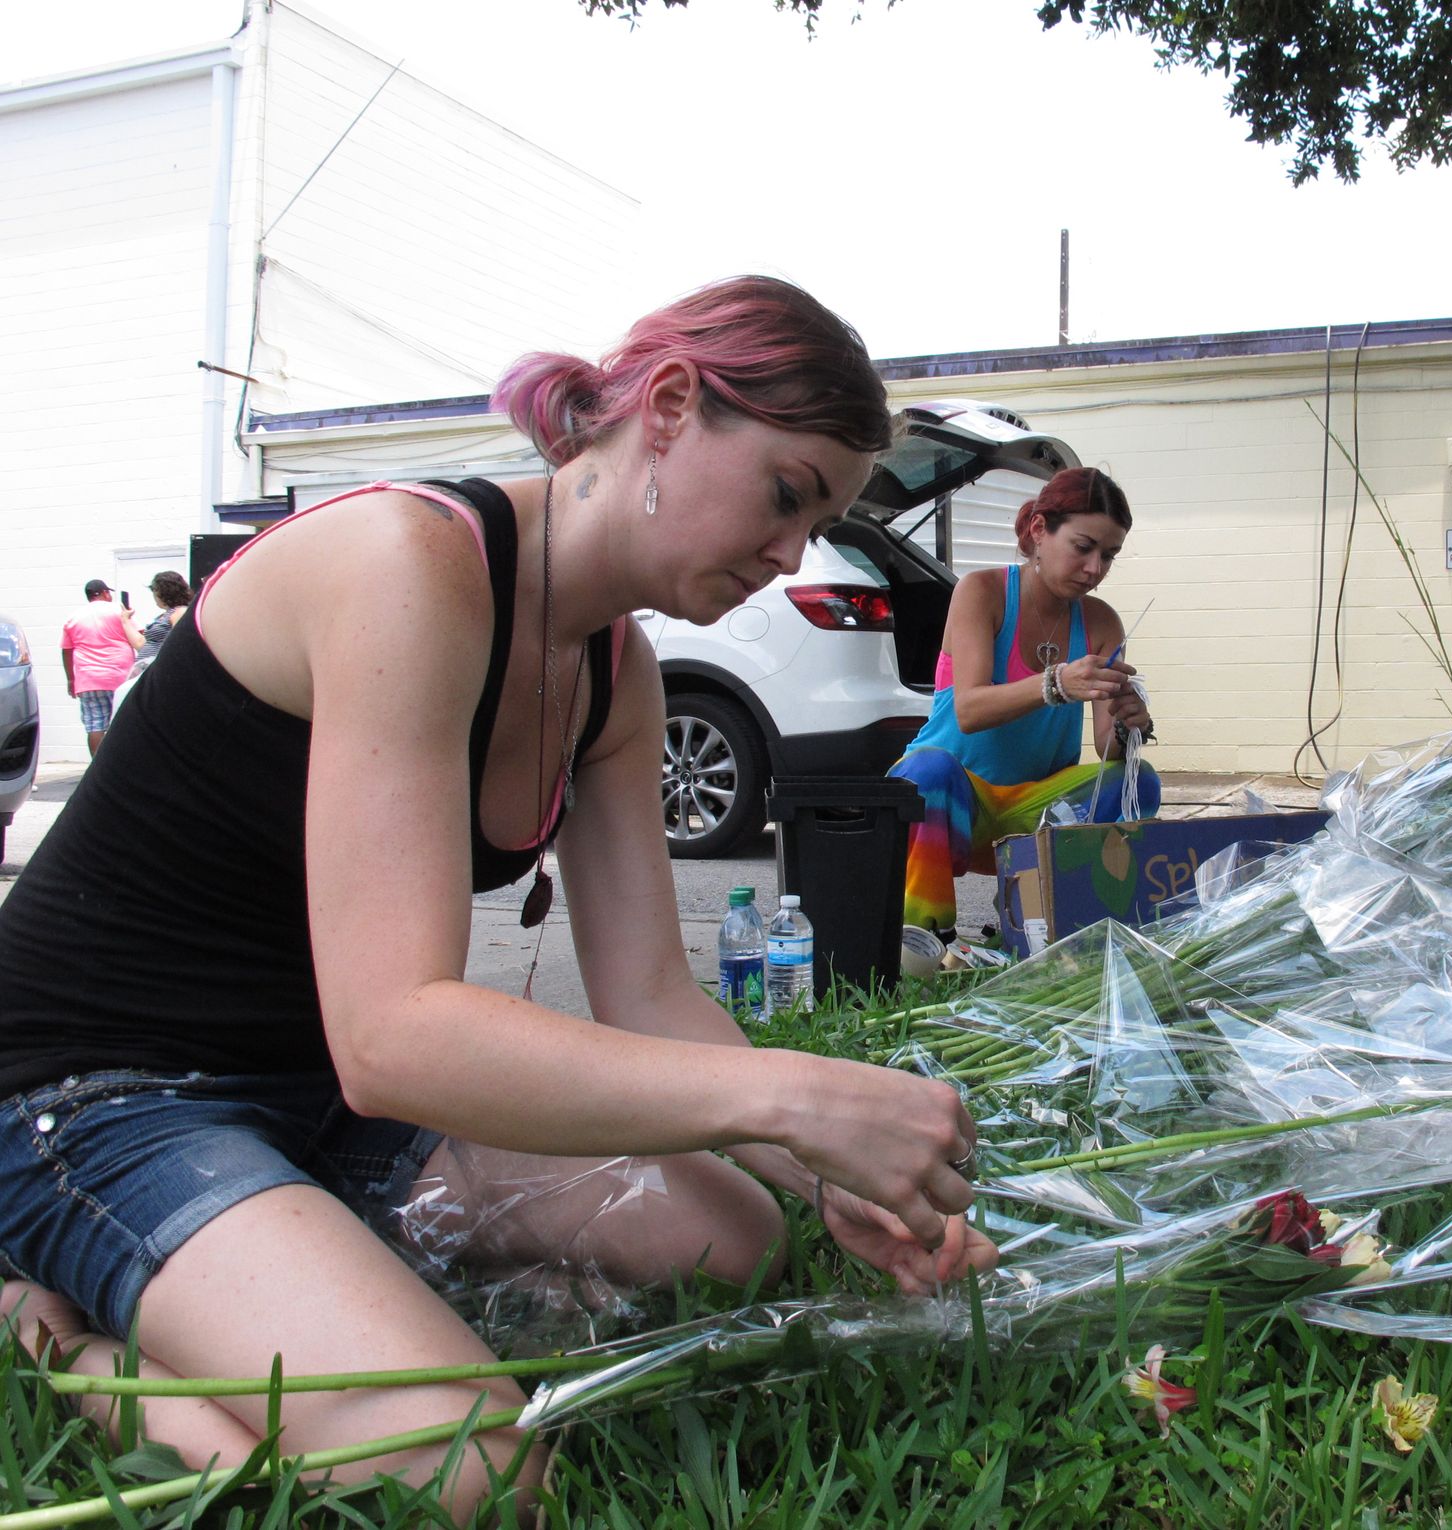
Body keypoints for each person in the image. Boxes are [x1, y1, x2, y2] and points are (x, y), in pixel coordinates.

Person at [0, 276, 995, 1519]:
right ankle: (60, 1340)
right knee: (473, 1469)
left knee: (734, 1244)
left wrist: (823, 1169)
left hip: (313, 1104)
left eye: (820, 522)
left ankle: (291, 1263)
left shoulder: (613, 672)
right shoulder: (408, 562)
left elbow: (649, 996)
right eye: (788, 496)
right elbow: (395, 1035)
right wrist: (800, 1093)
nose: (792, 554)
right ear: (673, 405)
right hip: (100, 1097)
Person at [888, 467, 1160, 940]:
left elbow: (1106, 750)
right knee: (925, 772)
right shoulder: (982, 592)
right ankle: (926, 942)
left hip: (1036, 812)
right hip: (953, 803)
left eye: (1109, 555)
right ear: (1039, 530)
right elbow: (969, 711)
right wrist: (1056, 683)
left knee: (1138, 780)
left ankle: (1059, 919)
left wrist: (1126, 725)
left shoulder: (1100, 622)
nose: (1095, 568)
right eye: (1083, 547)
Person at [59, 579, 142, 757]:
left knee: (95, 725)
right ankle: (123, 764)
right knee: (122, 721)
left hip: (88, 679)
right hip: (120, 676)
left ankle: (97, 768)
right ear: (105, 593)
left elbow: (66, 650)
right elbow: (139, 637)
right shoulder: (119, 612)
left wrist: (71, 679)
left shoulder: (73, 617)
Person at [130, 570, 192, 676]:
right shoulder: (165, 615)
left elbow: (180, 641)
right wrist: (125, 620)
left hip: (160, 671)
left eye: (154, 591)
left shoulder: (179, 612)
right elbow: (141, 643)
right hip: (147, 669)